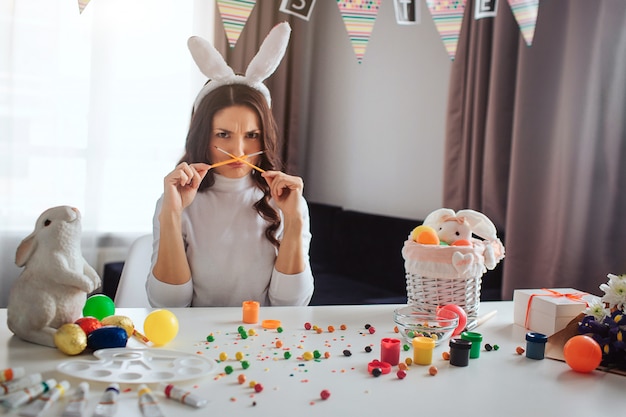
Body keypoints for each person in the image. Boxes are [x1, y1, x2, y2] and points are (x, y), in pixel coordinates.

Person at [146, 22, 314, 307]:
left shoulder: (285, 200)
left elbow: (291, 306)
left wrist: (295, 220)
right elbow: (168, 304)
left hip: (264, 342)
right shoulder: (175, 200)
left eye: (251, 136)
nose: (238, 150)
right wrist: (171, 216)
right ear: (203, 136)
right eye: (223, 135)